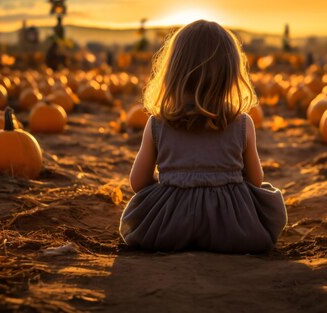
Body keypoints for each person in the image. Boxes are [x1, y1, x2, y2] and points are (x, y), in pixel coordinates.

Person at [119, 20, 287, 254]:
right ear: (230, 75)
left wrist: (174, 188)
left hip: (168, 228)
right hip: (234, 230)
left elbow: (138, 182)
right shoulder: (242, 123)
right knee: (267, 194)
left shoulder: (157, 124)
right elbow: (255, 180)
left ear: (172, 72)